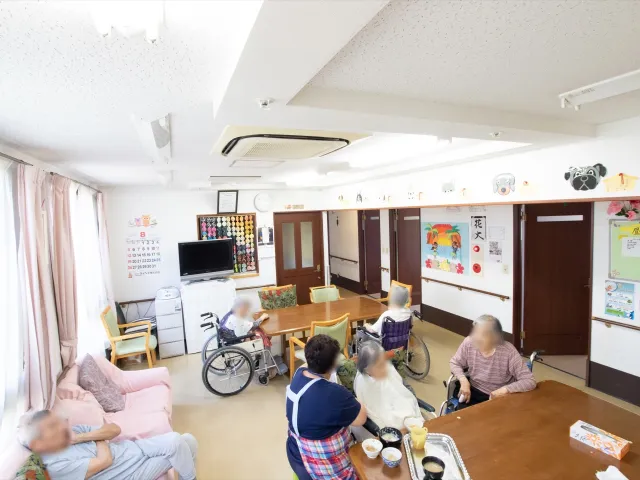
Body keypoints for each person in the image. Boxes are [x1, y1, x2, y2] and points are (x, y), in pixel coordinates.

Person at [18, 410, 197, 480]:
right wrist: (98, 437)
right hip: (129, 473)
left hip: (134, 449)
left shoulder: (73, 432)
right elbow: (105, 461)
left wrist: (81, 437)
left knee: (188, 440)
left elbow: (114, 429)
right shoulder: (54, 465)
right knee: (177, 442)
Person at [286, 334, 367, 480]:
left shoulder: (298, 374)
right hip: (320, 468)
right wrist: (353, 397)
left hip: (296, 454)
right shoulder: (334, 393)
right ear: (333, 365)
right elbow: (361, 418)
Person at [450, 314, 536, 408]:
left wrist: (505, 390)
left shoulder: (508, 352)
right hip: (473, 391)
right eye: (475, 332)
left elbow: (529, 381)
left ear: (495, 337)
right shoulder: (468, 343)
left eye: (483, 334)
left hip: (499, 397)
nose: (476, 337)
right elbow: (455, 362)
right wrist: (463, 380)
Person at [354, 341, 422, 431]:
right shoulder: (363, 383)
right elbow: (373, 412)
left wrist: (407, 415)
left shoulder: (388, 367)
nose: (385, 367)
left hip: (407, 414)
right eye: (379, 365)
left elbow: (402, 391)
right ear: (367, 369)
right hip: (389, 426)